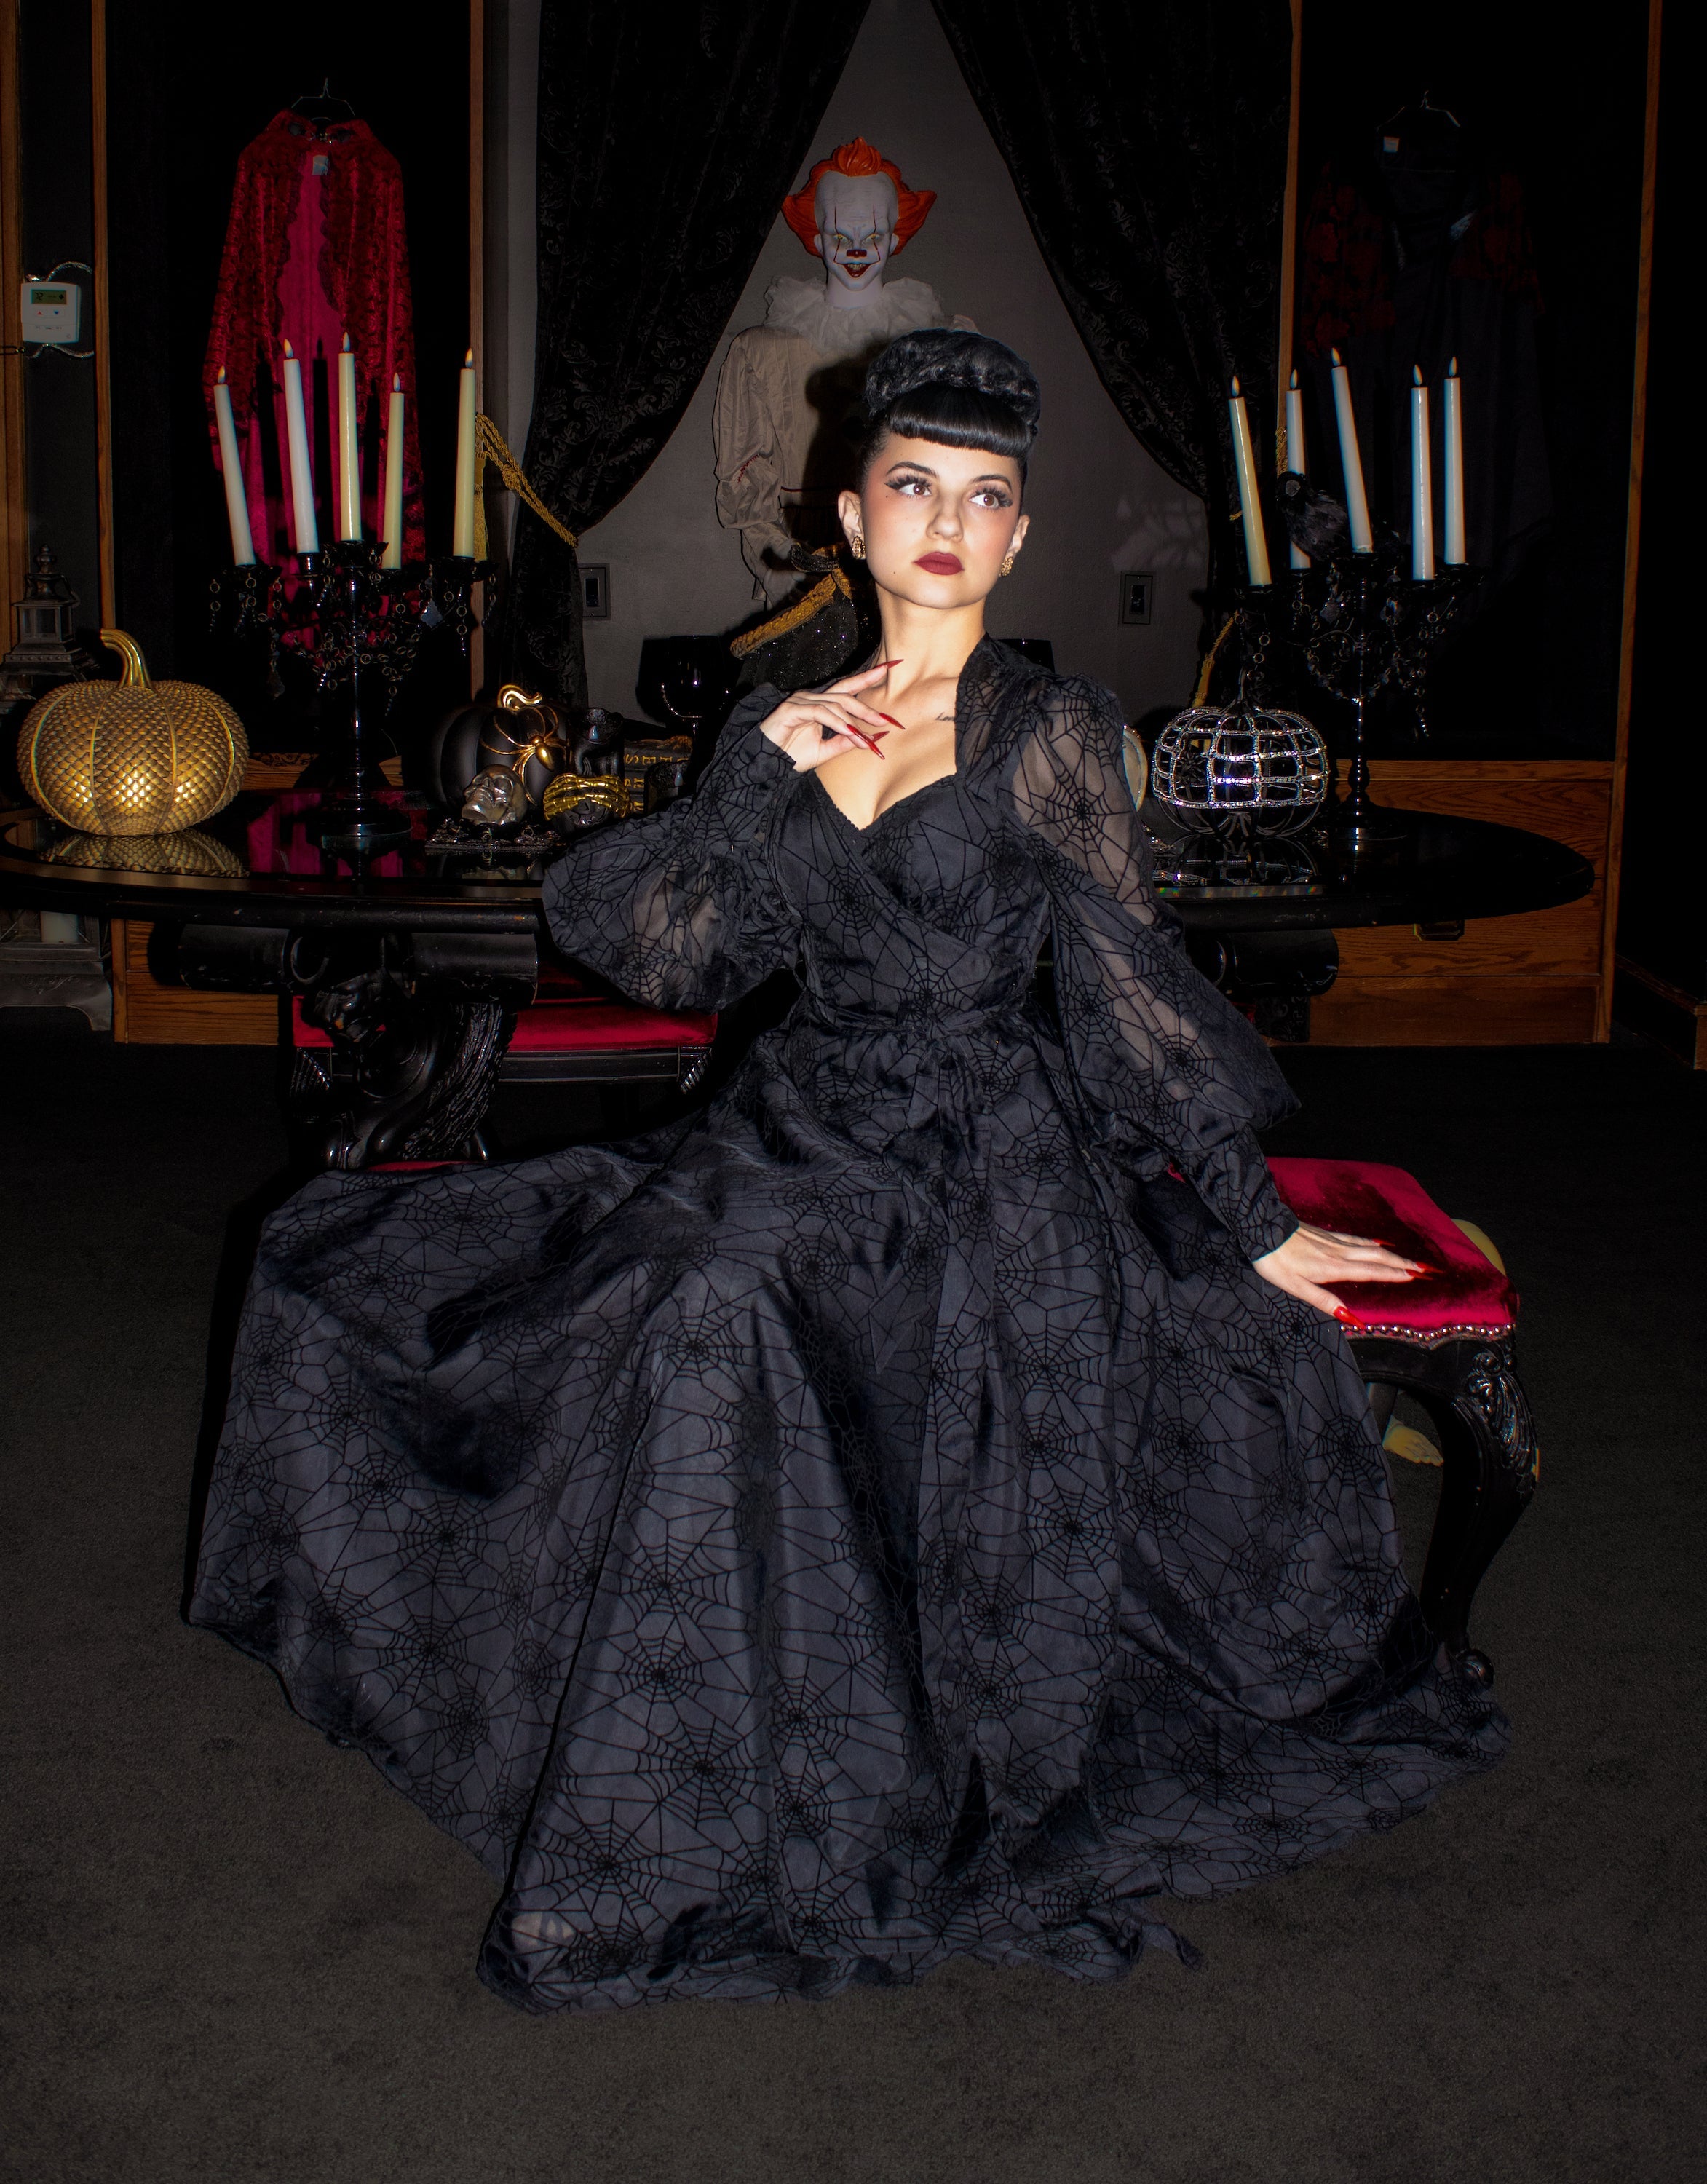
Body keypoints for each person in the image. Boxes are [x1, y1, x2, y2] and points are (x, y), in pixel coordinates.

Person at [192, 331, 1507, 2014]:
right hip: (798, 1117)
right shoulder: (777, 719)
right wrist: (754, 782)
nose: (948, 524)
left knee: (726, 1308)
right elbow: (677, 955)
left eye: (986, 496)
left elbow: (1125, 989)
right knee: (516, 1277)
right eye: (915, 486)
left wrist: (1254, 1221)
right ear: (852, 515)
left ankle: (762, 1777)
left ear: (1020, 532)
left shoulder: (1048, 728)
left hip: (988, 1147)